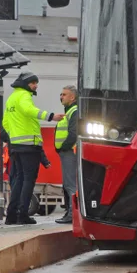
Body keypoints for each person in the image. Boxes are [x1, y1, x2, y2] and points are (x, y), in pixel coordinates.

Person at [2, 72, 62, 225]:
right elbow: (29, 110)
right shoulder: (24, 96)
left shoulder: (11, 98)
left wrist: (13, 137)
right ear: (25, 83)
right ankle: (22, 214)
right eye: (33, 83)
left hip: (15, 146)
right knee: (28, 180)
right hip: (29, 145)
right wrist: (50, 116)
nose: (35, 86)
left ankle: (11, 215)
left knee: (18, 180)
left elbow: (5, 123)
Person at [54, 85, 78, 224]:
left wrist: (63, 147)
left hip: (70, 151)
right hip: (67, 152)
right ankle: (69, 213)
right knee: (68, 184)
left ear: (72, 97)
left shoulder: (74, 111)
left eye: (64, 94)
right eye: (61, 94)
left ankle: (72, 214)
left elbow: (73, 134)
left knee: (70, 185)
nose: (61, 97)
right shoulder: (69, 111)